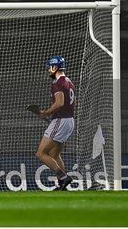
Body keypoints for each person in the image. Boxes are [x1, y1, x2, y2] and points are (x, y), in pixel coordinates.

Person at [35, 56, 75, 191]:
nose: (48, 70)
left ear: (55, 67)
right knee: (54, 155)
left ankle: (63, 177)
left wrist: (45, 113)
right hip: (69, 121)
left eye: (49, 67)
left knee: (41, 153)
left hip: (60, 121)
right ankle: (62, 185)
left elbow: (59, 103)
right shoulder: (69, 82)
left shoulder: (57, 83)